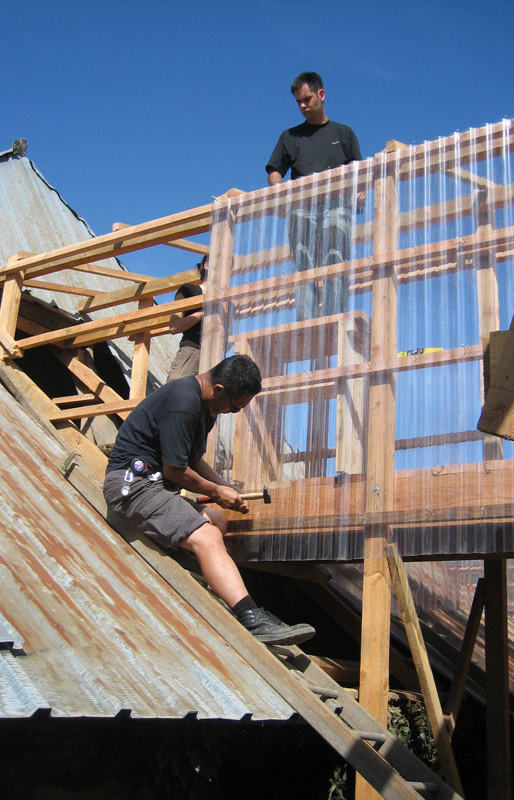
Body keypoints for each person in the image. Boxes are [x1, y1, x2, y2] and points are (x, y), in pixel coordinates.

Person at [103, 354, 315, 646]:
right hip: (132, 485)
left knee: (217, 520)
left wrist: (225, 486)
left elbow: (192, 460)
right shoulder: (183, 402)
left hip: (155, 487)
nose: (234, 412)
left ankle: (205, 570)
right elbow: (175, 471)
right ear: (219, 390)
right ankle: (251, 617)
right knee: (208, 537)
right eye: (235, 406)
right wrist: (216, 493)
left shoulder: (208, 408)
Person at [266, 72, 363, 321]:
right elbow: (275, 169)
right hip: (302, 207)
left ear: (321, 94)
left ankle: (333, 317)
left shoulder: (343, 134)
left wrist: (360, 191)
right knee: (304, 262)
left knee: (336, 258)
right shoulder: (291, 136)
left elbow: (359, 171)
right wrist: (278, 192)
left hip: (337, 204)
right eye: (298, 102)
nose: (302, 106)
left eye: (307, 99)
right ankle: (307, 321)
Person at [166, 255, 206, 382]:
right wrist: (205, 312)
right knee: (175, 396)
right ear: (207, 265)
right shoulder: (190, 290)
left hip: (215, 357)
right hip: (192, 351)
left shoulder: (228, 302)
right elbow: (174, 326)